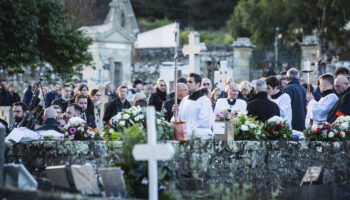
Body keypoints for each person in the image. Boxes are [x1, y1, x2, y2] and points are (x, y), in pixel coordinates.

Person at [174, 73, 214, 139]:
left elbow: (204, 122)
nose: (187, 84)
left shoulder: (204, 100)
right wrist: (175, 113)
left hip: (198, 134)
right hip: (184, 134)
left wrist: (187, 129)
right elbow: (180, 119)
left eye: (190, 82)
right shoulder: (185, 100)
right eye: (187, 82)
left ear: (198, 84)